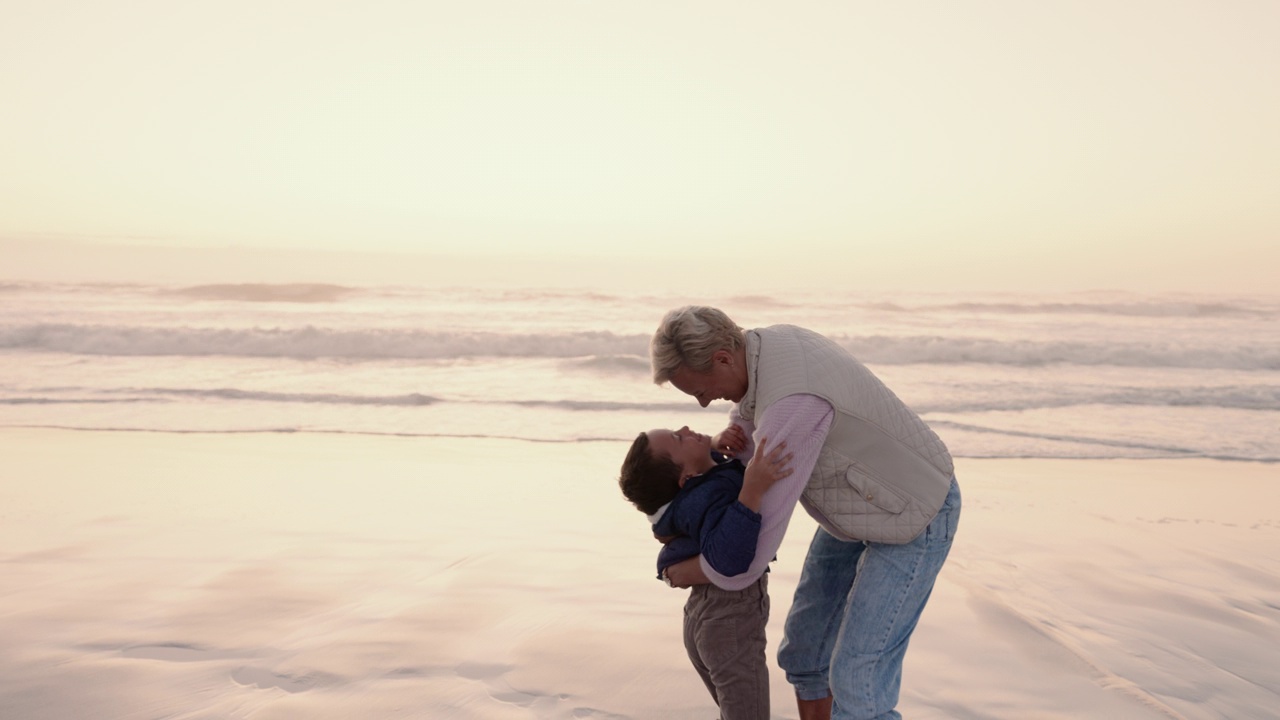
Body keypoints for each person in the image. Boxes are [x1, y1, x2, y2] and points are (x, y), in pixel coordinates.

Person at [649, 306, 962, 720]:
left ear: (723, 358)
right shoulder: (761, 347)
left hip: (915, 511)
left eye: (699, 390)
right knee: (805, 655)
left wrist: (689, 569)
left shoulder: (793, 402)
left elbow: (752, 553)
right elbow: (751, 441)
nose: (704, 403)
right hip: (858, 505)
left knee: (858, 680)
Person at [619, 425, 794, 720]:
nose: (686, 428)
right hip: (729, 621)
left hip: (706, 616)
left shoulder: (691, 492)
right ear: (686, 478)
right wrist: (752, 489)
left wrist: (712, 444)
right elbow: (728, 558)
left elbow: (700, 473)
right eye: (678, 438)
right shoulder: (706, 496)